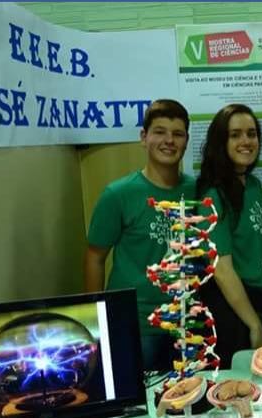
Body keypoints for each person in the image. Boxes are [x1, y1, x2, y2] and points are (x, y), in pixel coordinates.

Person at [84, 99, 194, 372]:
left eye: (177, 134)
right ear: (144, 137)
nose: (169, 141)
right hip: (135, 324)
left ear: (186, 140)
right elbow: (94, 257)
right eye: (159, 132)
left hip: (185, 324)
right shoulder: (118, 194)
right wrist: (96, 322)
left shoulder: (197, 191)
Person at [196, 104, 262, 368]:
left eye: (251, 134)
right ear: (220, 142)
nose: (246, 141)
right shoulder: (213, 195)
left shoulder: (253, 184)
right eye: (235, 135)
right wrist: (253, 323)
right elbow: (222, 270)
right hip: (236, 310)